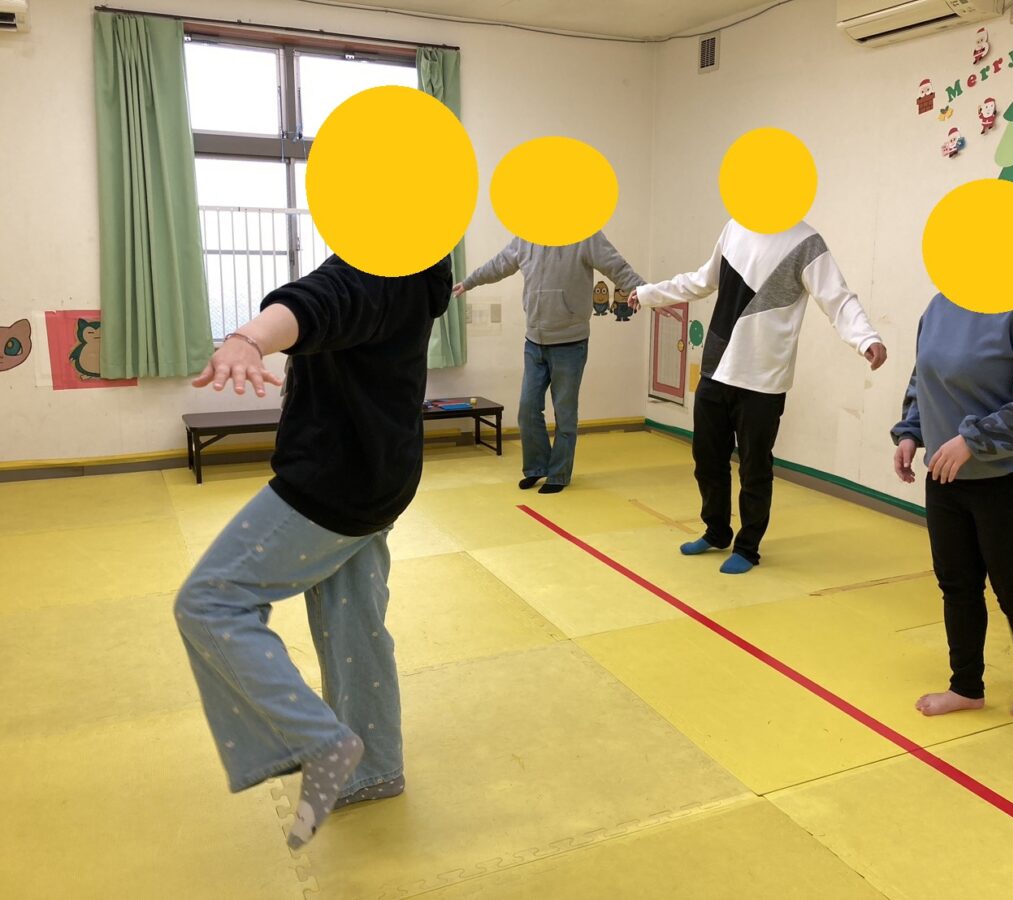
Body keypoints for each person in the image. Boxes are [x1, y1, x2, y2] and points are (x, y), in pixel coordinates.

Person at [174, 253, 452, 848]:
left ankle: (320, 742)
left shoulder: (380, 262)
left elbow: (322, 301)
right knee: (354, 624)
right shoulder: (418, 265)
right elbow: (330, 300)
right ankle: (374, 768)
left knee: (209, 601)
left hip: (332, 485)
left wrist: (248, 339)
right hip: (382, 475)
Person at [629, 218, 887, 574]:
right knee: (707, 460)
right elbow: (703, 280)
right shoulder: (735, 227)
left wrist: (865, 337)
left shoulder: (806, 241)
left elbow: (837, 298)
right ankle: (716, 532)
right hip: (716, 367)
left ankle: (748, 548)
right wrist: (648, 294)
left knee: (754, 468)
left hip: (764, 379)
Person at [891, 293, 1013, 721]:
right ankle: (965, 687)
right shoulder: (938, 307)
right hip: (949, 476)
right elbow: (922, 379)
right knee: (957, 585)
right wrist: (911, 432)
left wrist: (974, 440)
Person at [453, 232, 644, 493]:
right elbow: (500, 264)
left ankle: (559, 474)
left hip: (570, 343)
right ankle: (536, 468)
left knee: (564, 413)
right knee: (527, 409)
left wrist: (649, 294)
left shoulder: (585, 235)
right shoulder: (526, 236)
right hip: (534, 342)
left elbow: (616, 266)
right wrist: (470, 282)